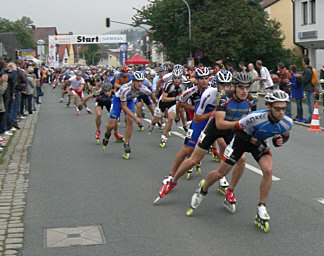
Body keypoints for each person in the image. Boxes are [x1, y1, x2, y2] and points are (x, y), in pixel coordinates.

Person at [187, 90, 293, 233]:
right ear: (269, 107)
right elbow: (236, 130)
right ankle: (203, 189)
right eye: (277, 108)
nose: (281, 112)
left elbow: (284, 136)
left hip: (259, 144)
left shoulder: (287, 122)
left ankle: (262, 206)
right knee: (220, 173)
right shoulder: (254, 118)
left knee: (268, 170)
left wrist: (279, 140)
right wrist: (254, 140)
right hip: (240, 142)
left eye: (283, 108)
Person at [156, 72, 256, 201]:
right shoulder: (210, 94)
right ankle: (172, 179)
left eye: (228, 85)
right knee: (190, 154)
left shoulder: (241, 96)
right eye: (222, 85)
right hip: (205, 120)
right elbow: (197, 118)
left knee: (235, 154)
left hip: (227, 125)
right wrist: (212, 113)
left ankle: (226, 184)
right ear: (216, 84)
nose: (225, 89)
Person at [102, 71, 156, 159]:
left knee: (129, 120)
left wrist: (157, 107)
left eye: (141, 81)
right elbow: (124, 107)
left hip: (129, 100)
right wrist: (136, 118)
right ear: (133, 81)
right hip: (118, 101)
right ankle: (107, 134)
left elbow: (151, 96)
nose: (139, 83)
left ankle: (126, 143)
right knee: (112, 124)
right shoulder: (125, 88)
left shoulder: (143, 88)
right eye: (137, 81)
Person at [300, 57, 315, 123]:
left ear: (304, 62)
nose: (302, 62)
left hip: (308, 88)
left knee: (309, 103)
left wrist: (300, 77)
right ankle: (312, 116)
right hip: (310, 87)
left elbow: (306, 80)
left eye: (302, 61)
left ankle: (310, 117)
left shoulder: (307, 70)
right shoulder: (309, 69)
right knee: (310, 102)